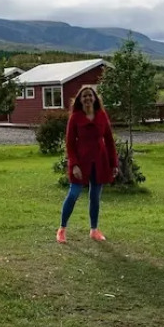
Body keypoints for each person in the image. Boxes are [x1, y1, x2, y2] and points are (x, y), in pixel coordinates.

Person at [57, 84, 118, 243]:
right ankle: (62, 229)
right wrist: (74, 164)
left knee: (95, 197)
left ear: (95, 98)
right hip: (80, 162)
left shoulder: (102, 116)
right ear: (80, 100)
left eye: (90, 95)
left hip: (100, 161)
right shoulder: (75, 117)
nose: (88, 98)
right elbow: (70, 143)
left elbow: (110, 141)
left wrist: (114, 164)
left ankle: (94, 230)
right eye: (84, 96)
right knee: (73, 194)